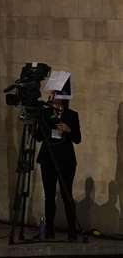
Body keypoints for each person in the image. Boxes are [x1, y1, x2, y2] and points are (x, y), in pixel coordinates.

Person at [37, 82, 81, 241]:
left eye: (58, 93)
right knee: (49, 196)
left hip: (66, 159)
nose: (55, 96)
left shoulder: (72, 115)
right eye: (53, 93)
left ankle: (72, 230)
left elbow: (78, 139)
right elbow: (38, 136)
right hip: (48, 157)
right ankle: (49, 230)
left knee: (66, 194)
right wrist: (40, 119)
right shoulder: (44, 113)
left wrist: (68, 130)